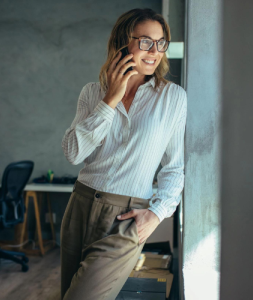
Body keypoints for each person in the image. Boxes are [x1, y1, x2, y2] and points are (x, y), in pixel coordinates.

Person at [60, 8, 187, 300]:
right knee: (67, 292)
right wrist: (109, 101)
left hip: (125, 218)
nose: (154, 51)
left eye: (160, 42)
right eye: (144, 41)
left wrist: (156, 214)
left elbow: (174, 167)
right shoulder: (93, 93)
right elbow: (73, 153)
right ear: (122, 43)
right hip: (80, 205)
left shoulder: (173, 98)